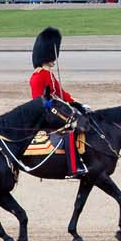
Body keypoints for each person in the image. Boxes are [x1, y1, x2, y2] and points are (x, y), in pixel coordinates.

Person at [27, 26, 86, 176]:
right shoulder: (38, 76)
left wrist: (77, 103)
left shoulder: (49, 74)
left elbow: (61, 93)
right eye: (52, 55)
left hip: (56, 110)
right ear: (45, 56)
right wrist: (52, 107)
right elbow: (38, 101)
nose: (54, 59)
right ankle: (74, 166)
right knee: (70, 128)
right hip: (46, 114)